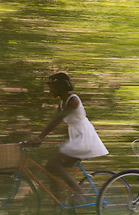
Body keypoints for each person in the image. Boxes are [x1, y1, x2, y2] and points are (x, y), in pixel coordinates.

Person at [29, 72, 109, 203]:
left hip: (84, 137)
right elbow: (55, 121)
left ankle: (81, 193)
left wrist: (39, 137)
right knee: (51, 166)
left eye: (52, 87)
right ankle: (58, 203)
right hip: (76, 136)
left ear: (60, 86)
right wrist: (40, 138)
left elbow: (56, 120)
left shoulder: (73, 100)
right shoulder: (62, 102)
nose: (50, 90)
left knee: (54, 163)